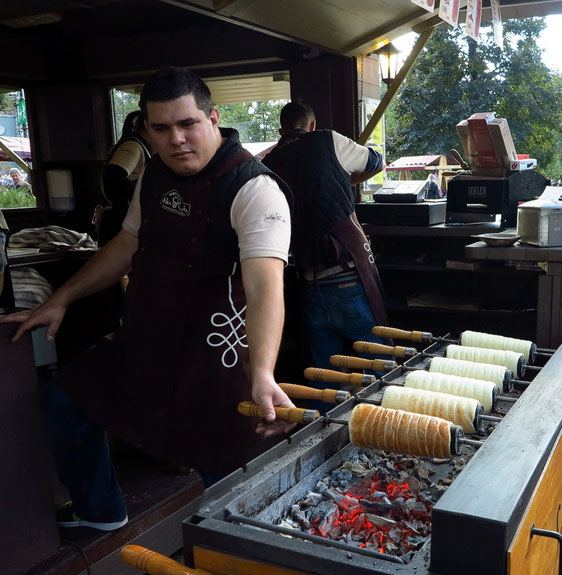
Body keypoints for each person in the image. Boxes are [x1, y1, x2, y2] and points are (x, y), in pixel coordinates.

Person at [0, 66, 295, 530]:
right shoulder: (154, 176)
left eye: (187, 124)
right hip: (145, 338)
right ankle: (99, 510)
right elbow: (124, 244)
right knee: (64, 404)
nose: (176, 139)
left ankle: (243, 556)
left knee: (224, 474)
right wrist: (61, 297)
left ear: (213, 119)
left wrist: (261, 372)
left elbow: (265, 287)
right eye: (161, 128)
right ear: (146, 131)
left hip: (213, 353)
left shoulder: (254, 188)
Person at [261, 100, 388, 385]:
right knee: (381, 370)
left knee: (322, 378)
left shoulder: (267, 165)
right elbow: (376, 161)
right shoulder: (327, 139)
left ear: (282, 131)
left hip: (307, 282)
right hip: (348, 277)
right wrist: (347, 178)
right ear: (312, 125)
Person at [99, 110, 154, 245]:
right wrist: (143, 196)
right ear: (148, 127)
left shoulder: (140, 147)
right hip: (120, 221)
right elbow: (113, 174)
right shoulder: (134, 147)